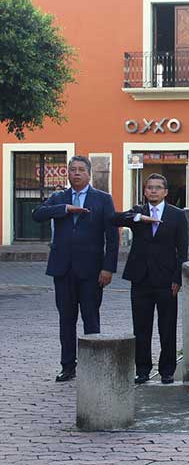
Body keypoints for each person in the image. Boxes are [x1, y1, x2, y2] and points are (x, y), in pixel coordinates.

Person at [31, 155, 119, 382]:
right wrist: (65, 209)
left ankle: (94, 366)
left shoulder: (102, 199)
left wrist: (108, 268)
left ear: (89, 174)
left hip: (91, 271)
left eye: (81, 170)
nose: (76, 173)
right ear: (67, 174)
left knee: (91, 319)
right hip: (63, 270)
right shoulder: (58, 198)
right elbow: (37, 215)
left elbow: (112, 237)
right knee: (66, 320)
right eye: (72, 170)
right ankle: (68, 366)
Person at [110, 173, 188, 384]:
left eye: (157, 187)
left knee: (167, 326)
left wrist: (177, 279)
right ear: (145, 191)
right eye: (149, 187)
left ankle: (167, 370)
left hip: (166, 280)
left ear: (165, 192)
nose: (153, 191)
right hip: (140, 278)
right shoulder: (138, 212)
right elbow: (113, 219)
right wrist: (138, 218)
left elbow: (182, 251)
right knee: (141, 328)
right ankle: (142, 369)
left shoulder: (177, 215)